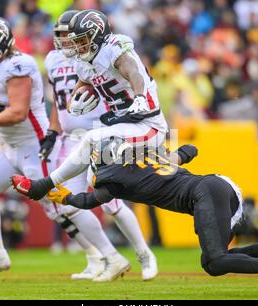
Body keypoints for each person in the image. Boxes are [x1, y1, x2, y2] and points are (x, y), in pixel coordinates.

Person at [12, 137, 258, 298]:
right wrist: (175, 154)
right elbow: (191, 150)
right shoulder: (148, 157)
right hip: (216, 185)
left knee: (216, 260)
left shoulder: (112, 176)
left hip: (204, 193)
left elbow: (90, 200)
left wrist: (63, 196)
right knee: (212, 263)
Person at [0, 16, 132, 282]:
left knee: (65, 207)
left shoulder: (18, 65)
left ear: (3, 41)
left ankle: (110, 256)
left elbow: (18, 111)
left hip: (35, 147)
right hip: (12, 147)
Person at [41, 10, 158, 281]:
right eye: (60, 36)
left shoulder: (97, 55)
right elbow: (61, 103)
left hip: (101, 130)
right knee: (68, 203)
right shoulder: (53, 60)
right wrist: (53, 129)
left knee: (109, 201)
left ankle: (143, 253)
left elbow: (121, 76)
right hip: (72, 138)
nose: (67, 42)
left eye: (73, 37)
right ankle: (111, 257)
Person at [18, 9, 169, 202]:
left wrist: (140, 96)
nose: (79, 47)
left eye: (83, 40)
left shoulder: (113, 50)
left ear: (98, 35)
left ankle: (46, 184)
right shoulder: (82, 62)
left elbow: (132, 71)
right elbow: (83, 82)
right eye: (77, 42)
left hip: (148, 124)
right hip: (122, 124)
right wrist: (75, 99)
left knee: (92, 139)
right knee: (94, 178)